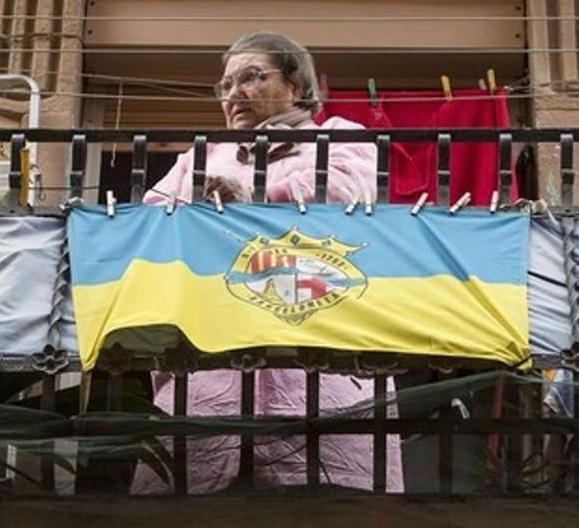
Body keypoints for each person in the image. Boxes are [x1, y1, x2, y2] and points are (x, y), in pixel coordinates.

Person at [133, 31, 403, 494]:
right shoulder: (202, 156)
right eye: (225, 85)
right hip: (206, 386)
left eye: (251, 78)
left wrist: (247, 203)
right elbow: (152, 225)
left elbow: (340, 193)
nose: (233, 93)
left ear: (296, 86)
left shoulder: (340, 136)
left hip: (326, 387)